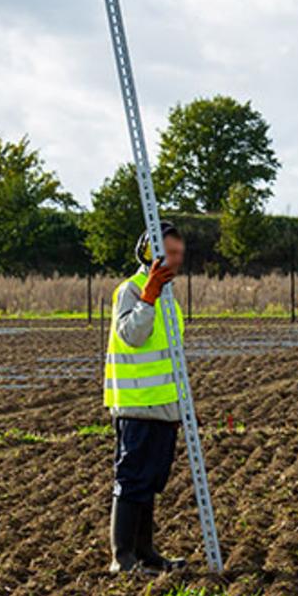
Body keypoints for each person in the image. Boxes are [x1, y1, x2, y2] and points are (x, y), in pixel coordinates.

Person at [103, 223, 189, 575]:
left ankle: (146, 552)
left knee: (152, 480)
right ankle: (122, 558)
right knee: (133, 479)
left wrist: (180, 406)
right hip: (138, 404)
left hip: (164, 406)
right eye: (169, 253)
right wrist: (148, 295)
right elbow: (132, 336)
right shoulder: (132, 290)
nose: (175, 260)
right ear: (148, 253)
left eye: (179, 254)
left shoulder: (168, 296)